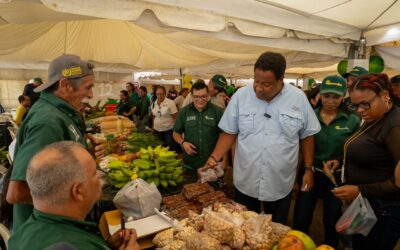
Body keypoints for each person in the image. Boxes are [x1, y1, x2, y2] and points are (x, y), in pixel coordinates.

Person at [204, 51, 321, 224]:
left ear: (281, 79)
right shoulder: (241, 97)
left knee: (275, 229)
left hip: (280, 182)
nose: (259, 88)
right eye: (256, 82)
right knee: (243, 228)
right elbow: (229, 132)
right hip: (246, 180)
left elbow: (307, 136)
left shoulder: (298, 99)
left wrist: (308, 170)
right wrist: (214, 158)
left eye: (266, 84)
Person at [7, 54, 105, 231]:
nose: (91, 95)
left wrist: (85, 155)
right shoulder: (48, 122)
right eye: (88, 87)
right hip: (47, 234)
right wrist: (84, 192)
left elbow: (54, 167)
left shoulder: (60, 114)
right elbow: (17, 192)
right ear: (65, 85)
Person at [9, 141, 140, 250]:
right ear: (78, 191)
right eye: (94, 173)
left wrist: (105, 245)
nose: (100, 178)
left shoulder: (22, 234)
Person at [332, 73, 400, 250]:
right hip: (369, 205)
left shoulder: (395, 126)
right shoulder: (376, 116)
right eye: (355, 106)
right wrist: (341, 161)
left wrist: (359, 190)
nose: (360, 110)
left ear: (385, 96)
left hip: (385, 209)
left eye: (365, 104)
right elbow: (372, 149)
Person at [293, 75, 361, 248]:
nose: (330, 101)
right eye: (326, 96)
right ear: (320, 95)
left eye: (336, 97)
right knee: (302, 214)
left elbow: (355, 149)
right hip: (311, 173)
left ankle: (329, 246)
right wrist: (296, 177)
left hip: (335, 178)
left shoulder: (352, 120)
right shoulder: (309, 117)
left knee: (332, 217)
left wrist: (339, 160)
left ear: (343, 97)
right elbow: (300, 148)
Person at [173, 81, 224, 173]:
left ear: (208, 95)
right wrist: (183, 143)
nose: (200, 100)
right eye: (196, 97)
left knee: (211, 187)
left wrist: (220, 159)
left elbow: (223, 137)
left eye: (203, 96)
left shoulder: (217, 112)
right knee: (189, 187)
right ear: (191, 96)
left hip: (212, 164)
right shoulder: (184, 112)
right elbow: (176, 133)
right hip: (190, 164)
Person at [151, 85, 178, 150]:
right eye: (157, 94)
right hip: (157, 130)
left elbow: (175, 117)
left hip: (168, 130)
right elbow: (154, 116)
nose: (159, 96)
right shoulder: (154, 103)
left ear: (165, 94)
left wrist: (176, 130)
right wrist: (153, 126)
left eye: (161, 94)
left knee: (170, 148)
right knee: (158, 148)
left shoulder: (170, 103)